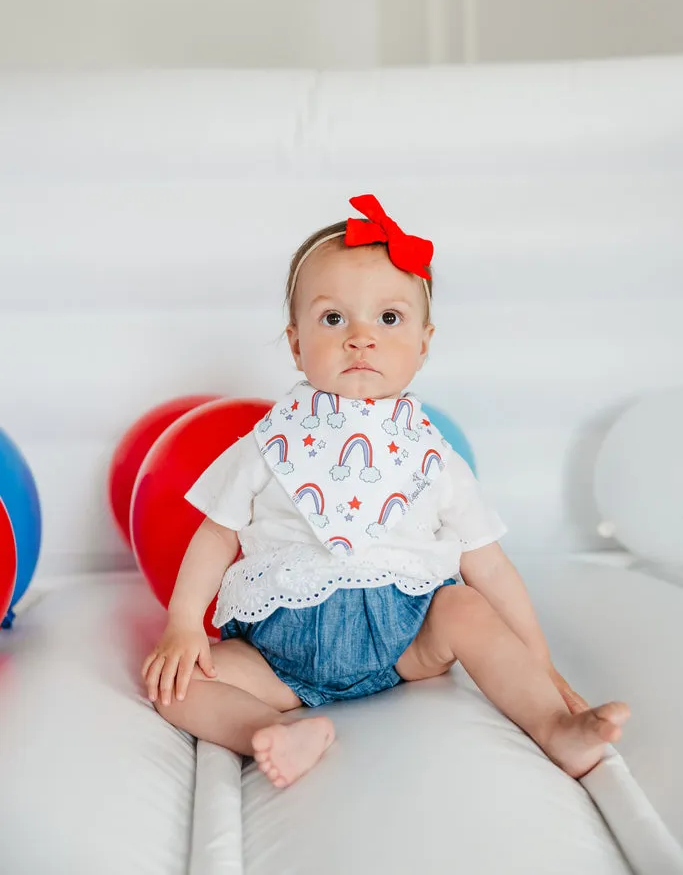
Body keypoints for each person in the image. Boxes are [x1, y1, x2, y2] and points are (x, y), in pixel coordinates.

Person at [142, 194, 629, 790]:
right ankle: (270, 731)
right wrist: (185, 622)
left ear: (424, 344)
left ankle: (554, 725)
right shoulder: (267, 445)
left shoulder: (433, 457)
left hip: (405, 645)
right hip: (278, 657)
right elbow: (216, 535)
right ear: (295, 344)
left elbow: (490, 566)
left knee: (466, 607)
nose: (360, 339)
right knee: (176, 682)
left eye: (389, 319)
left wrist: (542, 663)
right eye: (333, 319)